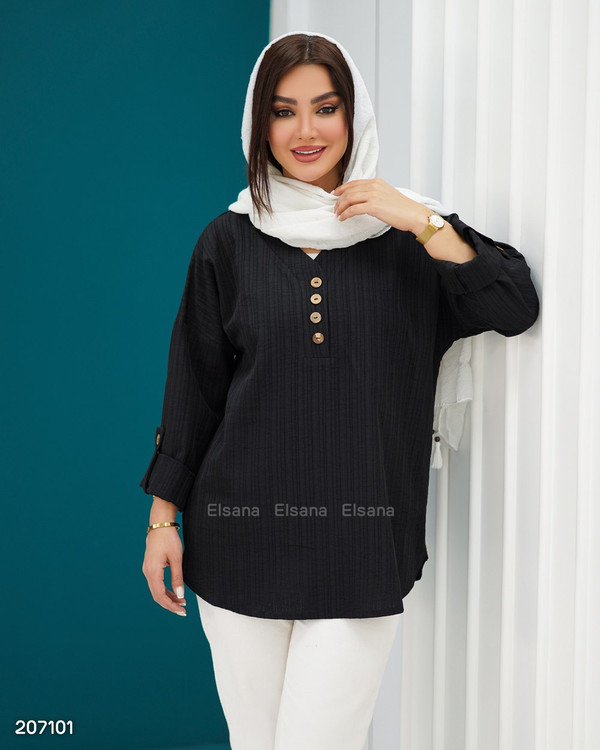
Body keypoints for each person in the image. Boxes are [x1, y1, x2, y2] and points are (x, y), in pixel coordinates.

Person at [139, 30, 539, 750]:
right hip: (238, 537)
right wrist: (162, 522)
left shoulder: (407, 237)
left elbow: (513, 306)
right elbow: (193, 390)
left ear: (353, 116)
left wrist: (419, 219)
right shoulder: (227, 240)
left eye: (326, 108)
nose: (306, 131)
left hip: (362, 538)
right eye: (283, 111)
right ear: (259, 124)